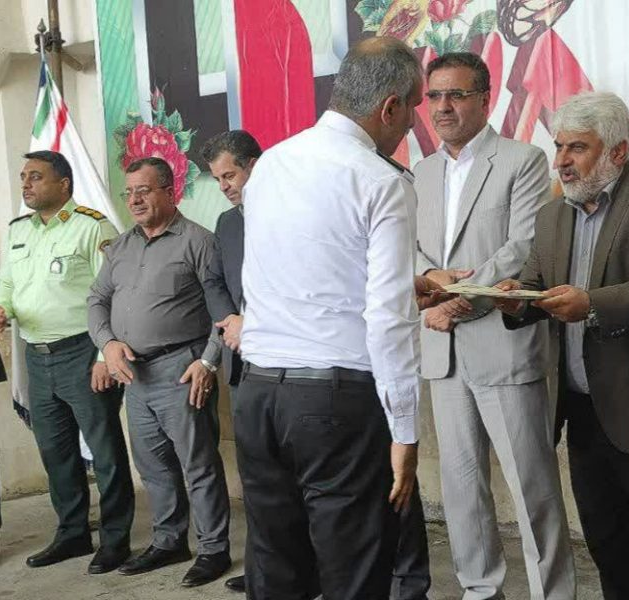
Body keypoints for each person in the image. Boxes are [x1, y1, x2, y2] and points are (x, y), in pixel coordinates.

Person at [495, 92, 629, 600]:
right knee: (611, 548)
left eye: (577, 148)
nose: (562, 161)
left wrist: (591, 304)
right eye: (559, 147)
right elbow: (534, 284)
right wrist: (514, 300)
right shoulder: (553, 215)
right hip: (584, 413)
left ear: (617, 151)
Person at [235, 37, 425, 600]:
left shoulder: (270, 165)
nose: (412, 123)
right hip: (335, 404)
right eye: (413, 108)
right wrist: (406, 431)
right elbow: (388, 318)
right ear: (389, 107)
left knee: (275, 568)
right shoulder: (382, 180)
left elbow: (295, 271)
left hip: (259, 395)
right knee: (353, 573)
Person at [416, 52, 575, 600]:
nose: (443, 106)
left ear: (485, 99)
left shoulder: (521, 160)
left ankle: (553, 594)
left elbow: (523, 247)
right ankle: (481, 590)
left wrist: (457, 300)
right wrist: (431, 283)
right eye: (435, 96)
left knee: (531, 488)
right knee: (462, 489)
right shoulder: (421, 172)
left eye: (456, 94)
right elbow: (409, 249)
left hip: (501, 346)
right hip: (442, 351)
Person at [87, 157, 232, 587]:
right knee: (152, 465)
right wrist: (107, 344)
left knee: (198, 465)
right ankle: (169, 541)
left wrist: (208, 361)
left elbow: (223, 309)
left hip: (181, 369)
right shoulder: (121, 246)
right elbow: (97, 300)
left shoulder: (198, 241)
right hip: (134, 374)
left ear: (170, 192)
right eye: (129, 192)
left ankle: (213, 550)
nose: (134, 199)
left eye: (144, 190)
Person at [0, 151, 135, 573]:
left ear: (64, 184)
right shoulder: (18, 230)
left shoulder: (92, 227)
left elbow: (115, 296)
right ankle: (73, 533)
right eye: (24, 177)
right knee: (55, 452)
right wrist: (2, 309)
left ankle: (115, 539)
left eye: (36, 177)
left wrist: (104, 355)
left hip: (83, 352)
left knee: (106, 451)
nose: (26, 184)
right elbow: (7, 283)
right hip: (37, 357)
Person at [199, 130, 261, 594]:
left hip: (290, 364)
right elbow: (214, 282)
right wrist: (230, 322)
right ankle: (266, 567)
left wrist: (251, 324)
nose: (224, 186)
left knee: (297, 476)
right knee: (257, 475)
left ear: (253, 165)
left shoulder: (292, 210)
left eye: (230, 175)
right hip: (242, 365)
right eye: (217, 179)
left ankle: (313, 566)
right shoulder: (226, 223)